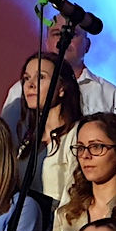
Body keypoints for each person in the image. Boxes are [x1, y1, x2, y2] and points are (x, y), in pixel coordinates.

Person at [1, 18, 116, 129]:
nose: (64, 39)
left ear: (87, 44)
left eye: (72, 34)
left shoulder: (109, 94)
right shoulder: (20, 90)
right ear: (47, 43)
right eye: (57, 34)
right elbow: (6, 137)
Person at [15, 52, 84, 209]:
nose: (30, 84)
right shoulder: (28, 138)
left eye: (40, 77)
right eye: (26, 78)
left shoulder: (76, 134)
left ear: (61, 88)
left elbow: (76, 194)